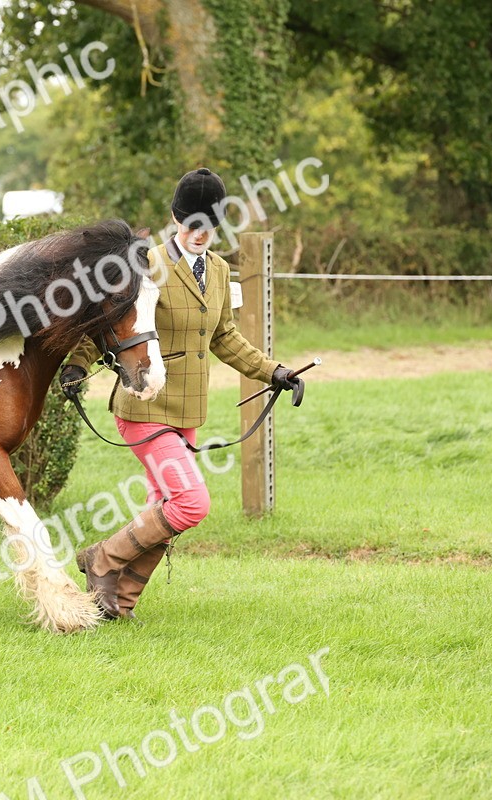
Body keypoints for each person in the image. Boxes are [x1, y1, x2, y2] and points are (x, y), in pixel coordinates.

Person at [60, 167, 304, 620]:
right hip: (144, 405)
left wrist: (274, 372)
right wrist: (77, 364)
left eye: (209, 225)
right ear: (175, 217)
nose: (200, 233)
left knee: (166, 507)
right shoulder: (146, 265)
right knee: (191, 503)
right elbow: (110, 325)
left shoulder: (219, 269)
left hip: (188, 412)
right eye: (192, 223)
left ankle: (119, 602)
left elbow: (224, 336)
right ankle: (102, 560)